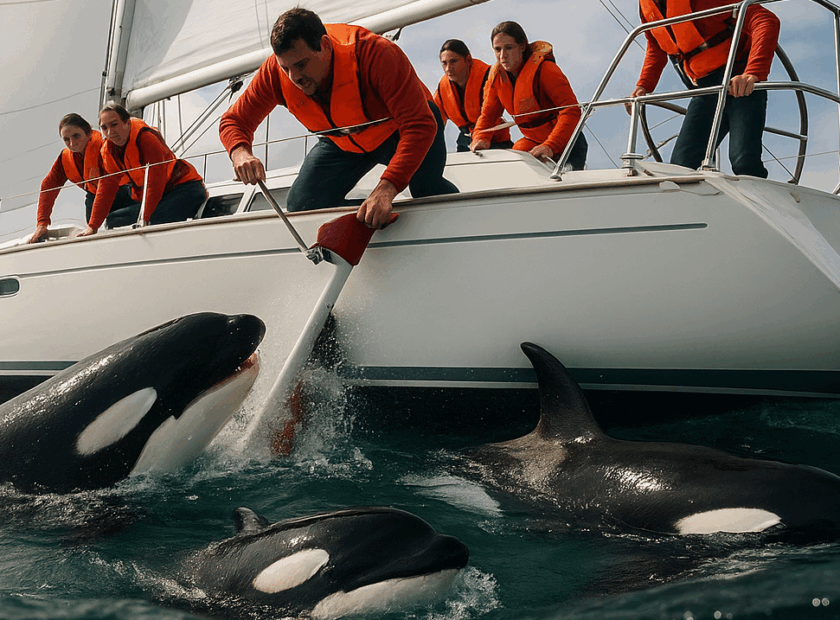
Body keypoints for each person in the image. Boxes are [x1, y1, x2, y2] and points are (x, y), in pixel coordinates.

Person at [219, 8, 459, 230]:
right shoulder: (274, 73)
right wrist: (240, 152)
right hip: (342, 142)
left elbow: (419, 125)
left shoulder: (374, 53)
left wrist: (386, 189)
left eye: (302, 64)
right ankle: (372, 222)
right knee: (303, 205)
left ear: (325, 45)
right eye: (286, 68)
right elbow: (233, 121)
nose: (295, 77)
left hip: (401, 131)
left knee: (427, 189)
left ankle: (464, 221)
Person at [628, 0, 780, 177]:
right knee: (681, 165)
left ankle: (762, 202)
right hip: (705, 89)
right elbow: (656, 47)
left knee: (744, 161)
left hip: (739, 80)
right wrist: (643, 85)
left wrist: (753, 72)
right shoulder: (646, 6)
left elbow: (765, 19)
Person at [471, 21, 587, 170]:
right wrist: (480, 138)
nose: (502, 55)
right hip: (533, 142)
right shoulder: (496, 79)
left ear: (522, 46)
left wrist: (550, 146)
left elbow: (571, 111)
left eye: (509, 48)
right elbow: (487, 117)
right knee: (512, 166)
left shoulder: (546, 70)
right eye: (497, 49)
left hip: (568, 144)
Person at [28, 113, 133, 243]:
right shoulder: (65, 158)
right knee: (94, 234)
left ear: (88, 133)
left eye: (76, 136)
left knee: (115, 221)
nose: (72, 143)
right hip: (95, 198)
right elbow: (48, 186)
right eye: (66, 139)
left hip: (126, 192)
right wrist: (42, 223)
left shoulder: (106, 146)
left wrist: (93, 225)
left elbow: (107, 184)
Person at [98, 103, 207, 227]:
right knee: (113, 219)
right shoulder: (109, 150)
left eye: (114, 124)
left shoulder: (146, 138)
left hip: (185, 190)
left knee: (149, 218)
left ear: (127, 123)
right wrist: (92, 226)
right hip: (158, 197)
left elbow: (155, 182)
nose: (110, 132)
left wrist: (144, 219)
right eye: (104, 128)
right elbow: (106, 186)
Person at [434, 39, 513, 152]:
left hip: (495, 140)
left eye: (453, 61)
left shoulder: (489, 78)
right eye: (444, 63)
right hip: (465, 142)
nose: (448, 69)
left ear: (468, 60)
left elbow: (490, 113)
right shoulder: (442, 90)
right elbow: (433, 123)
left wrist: (481, 138)